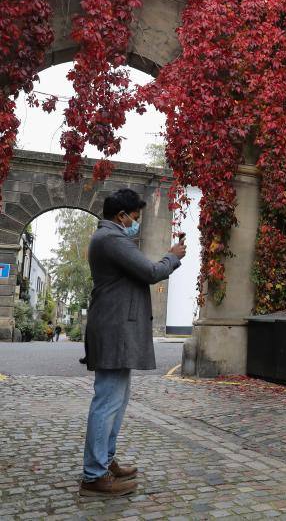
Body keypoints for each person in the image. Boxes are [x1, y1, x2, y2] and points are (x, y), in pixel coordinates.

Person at [79, 189, 186, 497]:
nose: (135, 223)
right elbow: (152, 272)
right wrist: (172, 256)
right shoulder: (111, 239)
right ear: (120, 215)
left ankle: (104, 461)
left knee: (116, 400)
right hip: (113, 331)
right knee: (107, 401)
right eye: (135, 217)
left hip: (115, 330)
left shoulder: (110, 238)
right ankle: (93, 474)